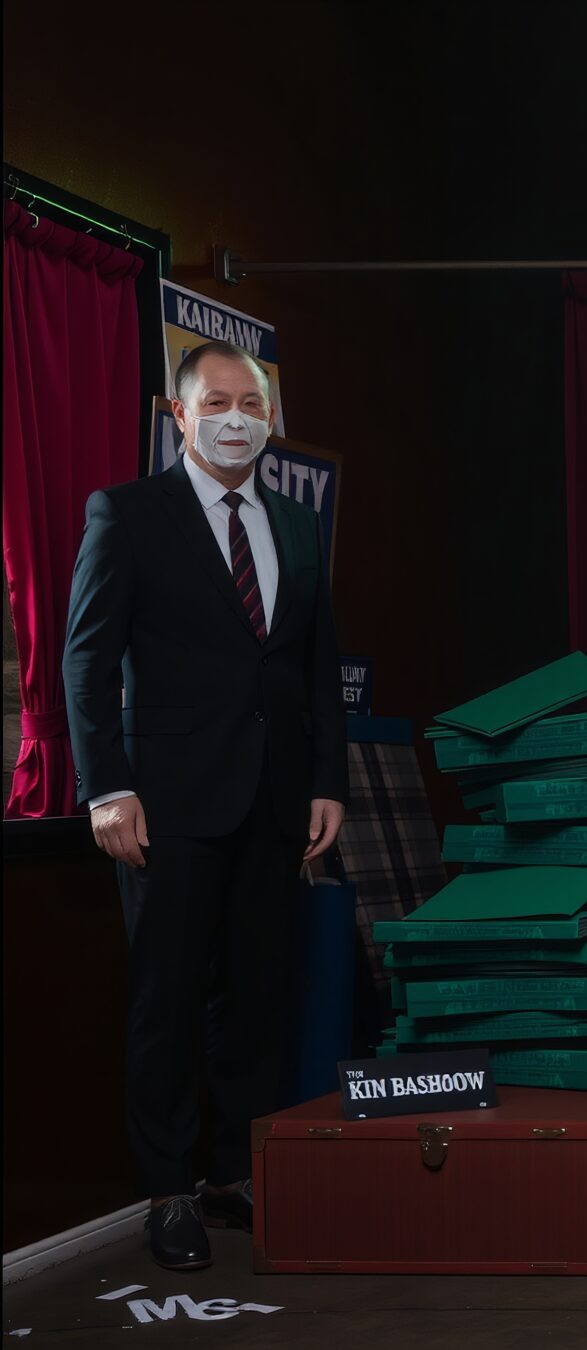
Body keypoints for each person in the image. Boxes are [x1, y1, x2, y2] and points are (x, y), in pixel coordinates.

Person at [61, 342, 347, 1271]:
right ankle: (168, 1190)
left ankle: (233, 1172)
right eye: (216, 402)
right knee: (167, 999)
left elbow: (312, 671)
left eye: (251, 402)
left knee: (260, 994)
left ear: (270, 414)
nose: (236, 417)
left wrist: (326, 782)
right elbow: (87, 662)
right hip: (165, 803)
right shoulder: (129, 512)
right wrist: (107, 785)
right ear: (179, 415)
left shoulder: (297, 527)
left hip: (275, 801)